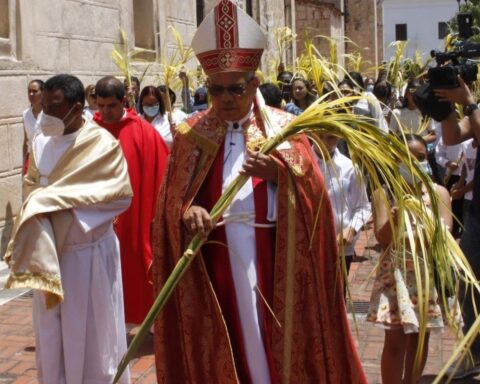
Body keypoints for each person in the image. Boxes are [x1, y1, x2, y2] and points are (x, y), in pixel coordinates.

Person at [152, 1, 367, 383]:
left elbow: (315, 199)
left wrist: (281, 175)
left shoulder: (285, 131)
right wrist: (187, 212)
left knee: (268, 344)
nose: (226, 98)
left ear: (254, 83)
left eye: (235, 88)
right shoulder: (190, 135)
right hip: (213, 264)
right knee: (230, 341)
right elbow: (169, 202)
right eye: (216, 90)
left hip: (272, 261)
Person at [4, 74, 132, 383]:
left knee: (92, 336)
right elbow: (32, 186)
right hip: (48, 255)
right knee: (50, 334)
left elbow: (119, 195)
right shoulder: (42, 141)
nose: (46, 114)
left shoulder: (101, 144)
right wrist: (42, 208)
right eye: (44, 105)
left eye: (55, 107)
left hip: (86, 256)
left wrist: (57, 208)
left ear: (77, 108)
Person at [367, 134, 452, 384]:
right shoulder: (384, 194)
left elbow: (445, 231)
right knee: (394, 339)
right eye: (407, 158)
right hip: (396, 274)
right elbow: (382, 237)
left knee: (420, 337)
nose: (415, 163)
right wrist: (395, 219)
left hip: (426, 274)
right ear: (396, 160)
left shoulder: (439, 193)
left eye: (421, 158)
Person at [93, 76, 170, 327]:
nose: (105, 112)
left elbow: (163, 172)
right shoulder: (89, 132)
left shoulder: (143, 131)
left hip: (134, 215)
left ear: (123, 101)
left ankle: (141, 319)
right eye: (101, 106)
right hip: (97, 216)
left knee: (135, 264)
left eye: (111, 106)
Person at [435, 76, 480, 379]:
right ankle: (473, 352)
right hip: (478, 213)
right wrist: (444, 107)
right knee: (467, 280)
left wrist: (471, 103)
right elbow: (453, 138)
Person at [313, 133, 371, 297]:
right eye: (320, 136)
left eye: (330, 137)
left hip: (339, 246)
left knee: (335, 296)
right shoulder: (301, 163)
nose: (324, 143)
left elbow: (363, 207)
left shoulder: (349, 167)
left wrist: (351, 230)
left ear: (338, 137)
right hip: (308, 245)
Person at [22, 79, 44, 173]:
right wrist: (24, 165)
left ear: (43, 93)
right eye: (29, 91)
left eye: (35, 91)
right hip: (31, 160)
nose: (31, 94)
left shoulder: (51, 114)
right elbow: (26, 141)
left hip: (47, 159)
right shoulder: (25, 114)